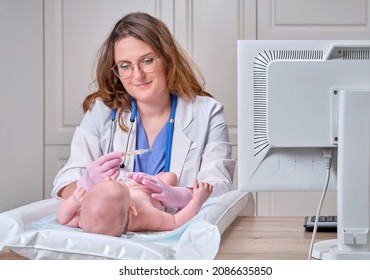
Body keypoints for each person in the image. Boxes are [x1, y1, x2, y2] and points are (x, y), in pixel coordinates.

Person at [51, 12, 235, 209]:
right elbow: (62, 189)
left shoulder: (207, 113)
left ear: (167, 58)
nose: (137, 75)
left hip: (180, 233)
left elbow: (219, 187)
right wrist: (86, 183)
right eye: (125, 66)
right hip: (115, 235)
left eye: (147, 60)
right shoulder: (102, 112)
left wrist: (181, 196)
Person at [56, 172, 213, 237]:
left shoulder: (89, 221)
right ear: (132, 208)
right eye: (118, 183)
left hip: (134, 185)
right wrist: (196, 200)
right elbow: (175, 222)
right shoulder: (146, 215)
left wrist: (73, 201)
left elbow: (63, 218)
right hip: (154, 193)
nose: (108, 178)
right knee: (170, 176)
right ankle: (166, 184)